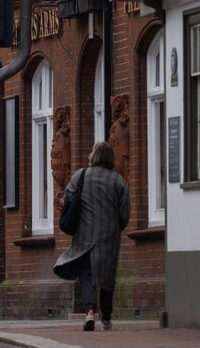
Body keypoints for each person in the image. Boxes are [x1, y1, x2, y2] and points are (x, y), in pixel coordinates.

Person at [52, 141, 130, 332]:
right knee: (106, 277)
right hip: (109, 236)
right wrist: (115, 228)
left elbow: (68, 200)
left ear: (93, 156)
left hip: (85, 235)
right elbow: (124, 214)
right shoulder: (118, 181)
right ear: (111, 158)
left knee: (86, 274)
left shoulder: (80, 176)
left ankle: (90, 311)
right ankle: (107, 318)